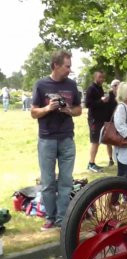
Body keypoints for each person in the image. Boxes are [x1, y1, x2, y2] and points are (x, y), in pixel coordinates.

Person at [31, 50, 82, 230]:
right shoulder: (41, 85)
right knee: (48, 181)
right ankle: (50, 217)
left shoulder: (72, 85)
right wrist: (48, 108)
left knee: (66, 181)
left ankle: (62, 219)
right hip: (47, 139)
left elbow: (78, 110)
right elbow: (33, 112)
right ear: (55, 66)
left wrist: (67, 109)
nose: (69, 69)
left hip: (67, 138)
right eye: (67, 66)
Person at [85, 71, 111, 172]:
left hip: (100, 119)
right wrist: (101, 101)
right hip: (94, 119)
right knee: (94, 141)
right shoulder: (91, 89)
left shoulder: (99, 88)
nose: (102, 79)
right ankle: (91, 164)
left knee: (97, 141)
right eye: (100, 77)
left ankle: (92, 162)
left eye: (103, 77)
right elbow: (87, 104)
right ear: (94, 77)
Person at [104, 79, 119, 166]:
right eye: (115, 85)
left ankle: (117, 158)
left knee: (118, 140)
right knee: (109, 141)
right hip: (109, 120)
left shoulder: (122, 96)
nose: (117, 87)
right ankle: (110, 159)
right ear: (112, 87)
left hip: (119, 121)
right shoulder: (109, 96)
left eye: (118, 85)